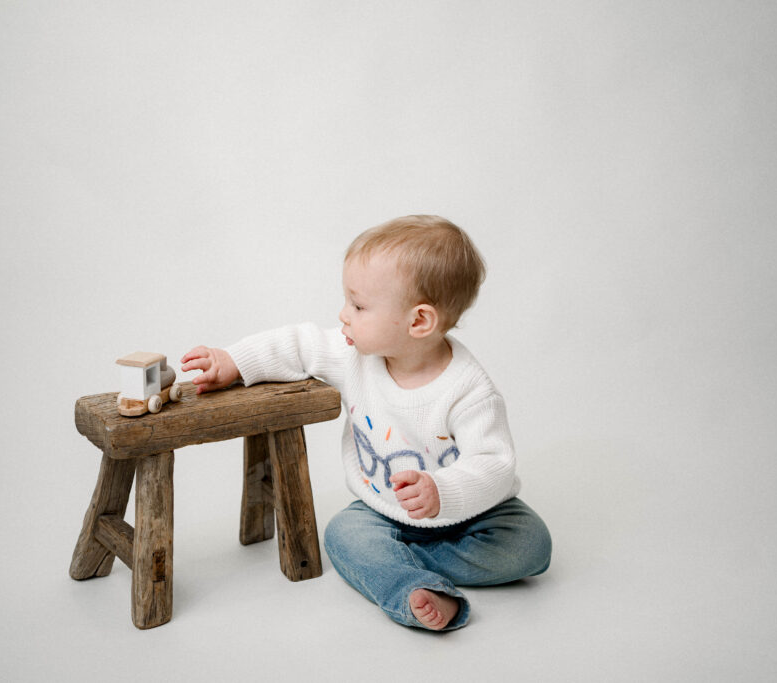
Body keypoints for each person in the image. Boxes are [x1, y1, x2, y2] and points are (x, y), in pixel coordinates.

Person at [180, 215, 551, 630]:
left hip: (473, 516)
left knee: (532, 546)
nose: (343, 314)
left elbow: (494, 465)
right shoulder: (353, 352)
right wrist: (234, 360)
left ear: (418, 321)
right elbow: (299, 345)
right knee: (343, 535)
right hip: (383, 512)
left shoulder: (469, 390)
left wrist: (442, 491)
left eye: (358, 306)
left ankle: (397, 561)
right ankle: (415, 586)